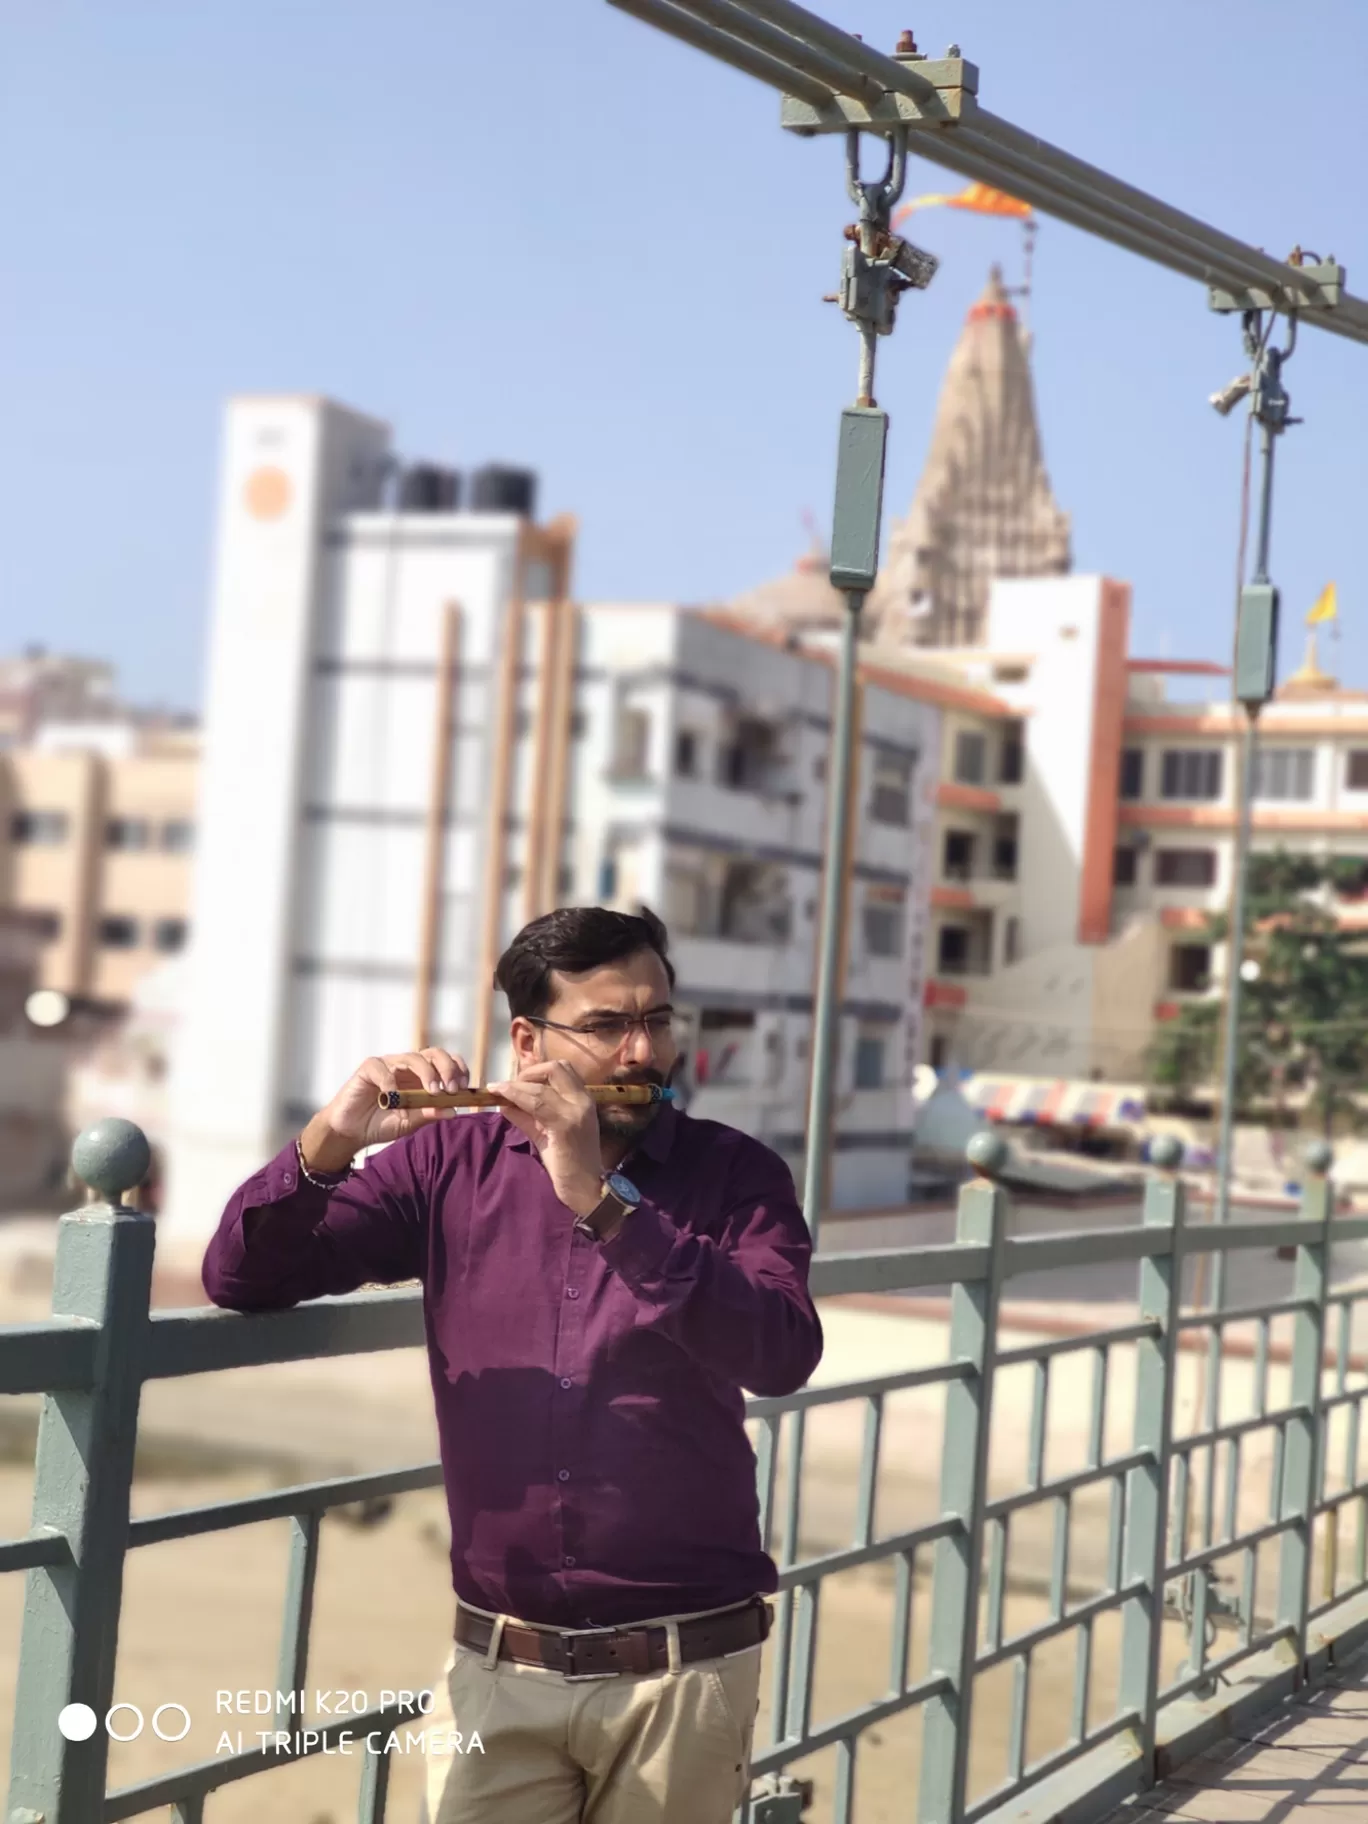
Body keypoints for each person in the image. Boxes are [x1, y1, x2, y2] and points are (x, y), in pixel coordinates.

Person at [201, 904, 823, 1822]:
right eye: (608, 1026)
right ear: (529, 1041)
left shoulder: (738, 1176)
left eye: (656, 1020)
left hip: (684, 1668)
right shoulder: (448, 1162)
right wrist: (328, 1140)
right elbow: (242, 1276)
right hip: (498, 1665)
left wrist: (601, 1201)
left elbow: (779, 1351)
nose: (642, 1053)